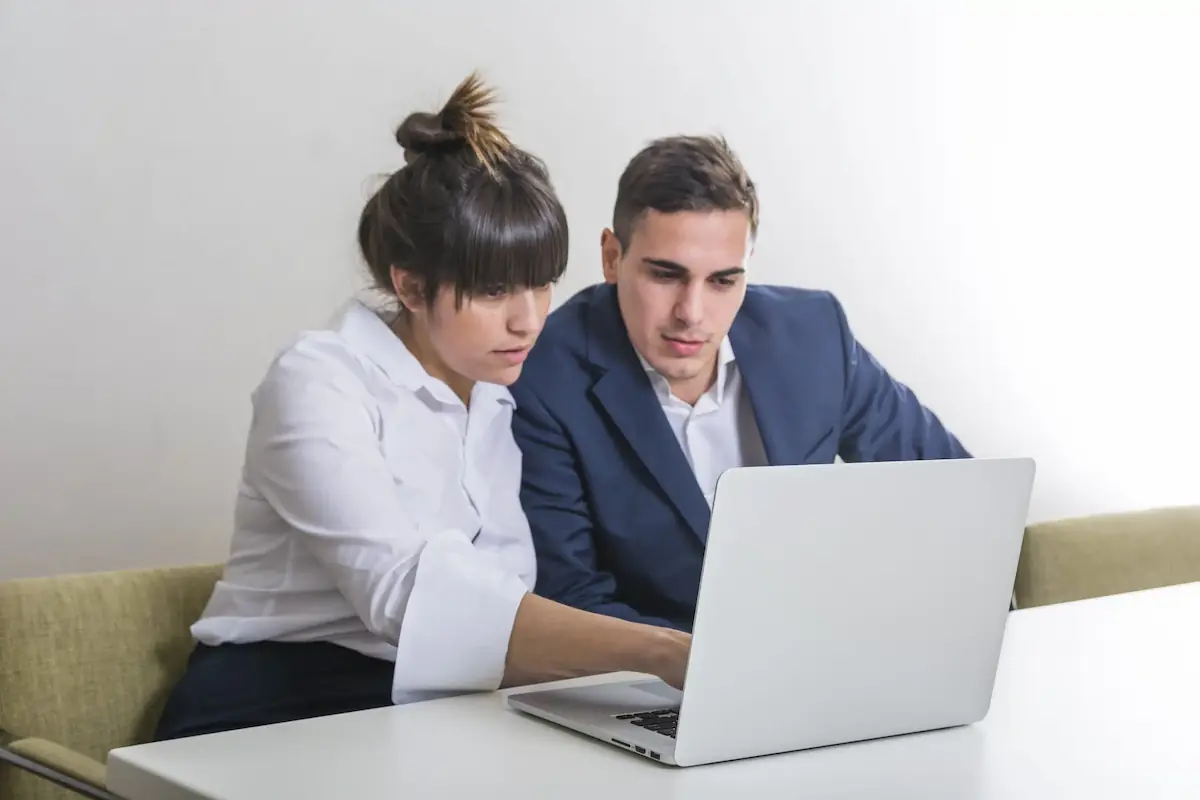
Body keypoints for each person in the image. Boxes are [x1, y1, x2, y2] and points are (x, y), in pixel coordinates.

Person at [153, 74, 689, 741]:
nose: (528, 321)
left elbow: (505, 600)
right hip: (268, 711)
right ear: (409, 284)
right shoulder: (319, 379)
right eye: (495, 291)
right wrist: (660, 652)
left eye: (542, 286)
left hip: (434, 713)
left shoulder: (495, 399)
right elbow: (404, 596)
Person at [508, 134, 971, 632]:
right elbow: (572, 600)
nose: (692, 313)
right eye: (666, 276)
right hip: (653, 684)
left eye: (723, 280)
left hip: (834, 650)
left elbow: (954, 491)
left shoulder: (814, 336)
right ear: (611, 257)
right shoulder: (542, 375)